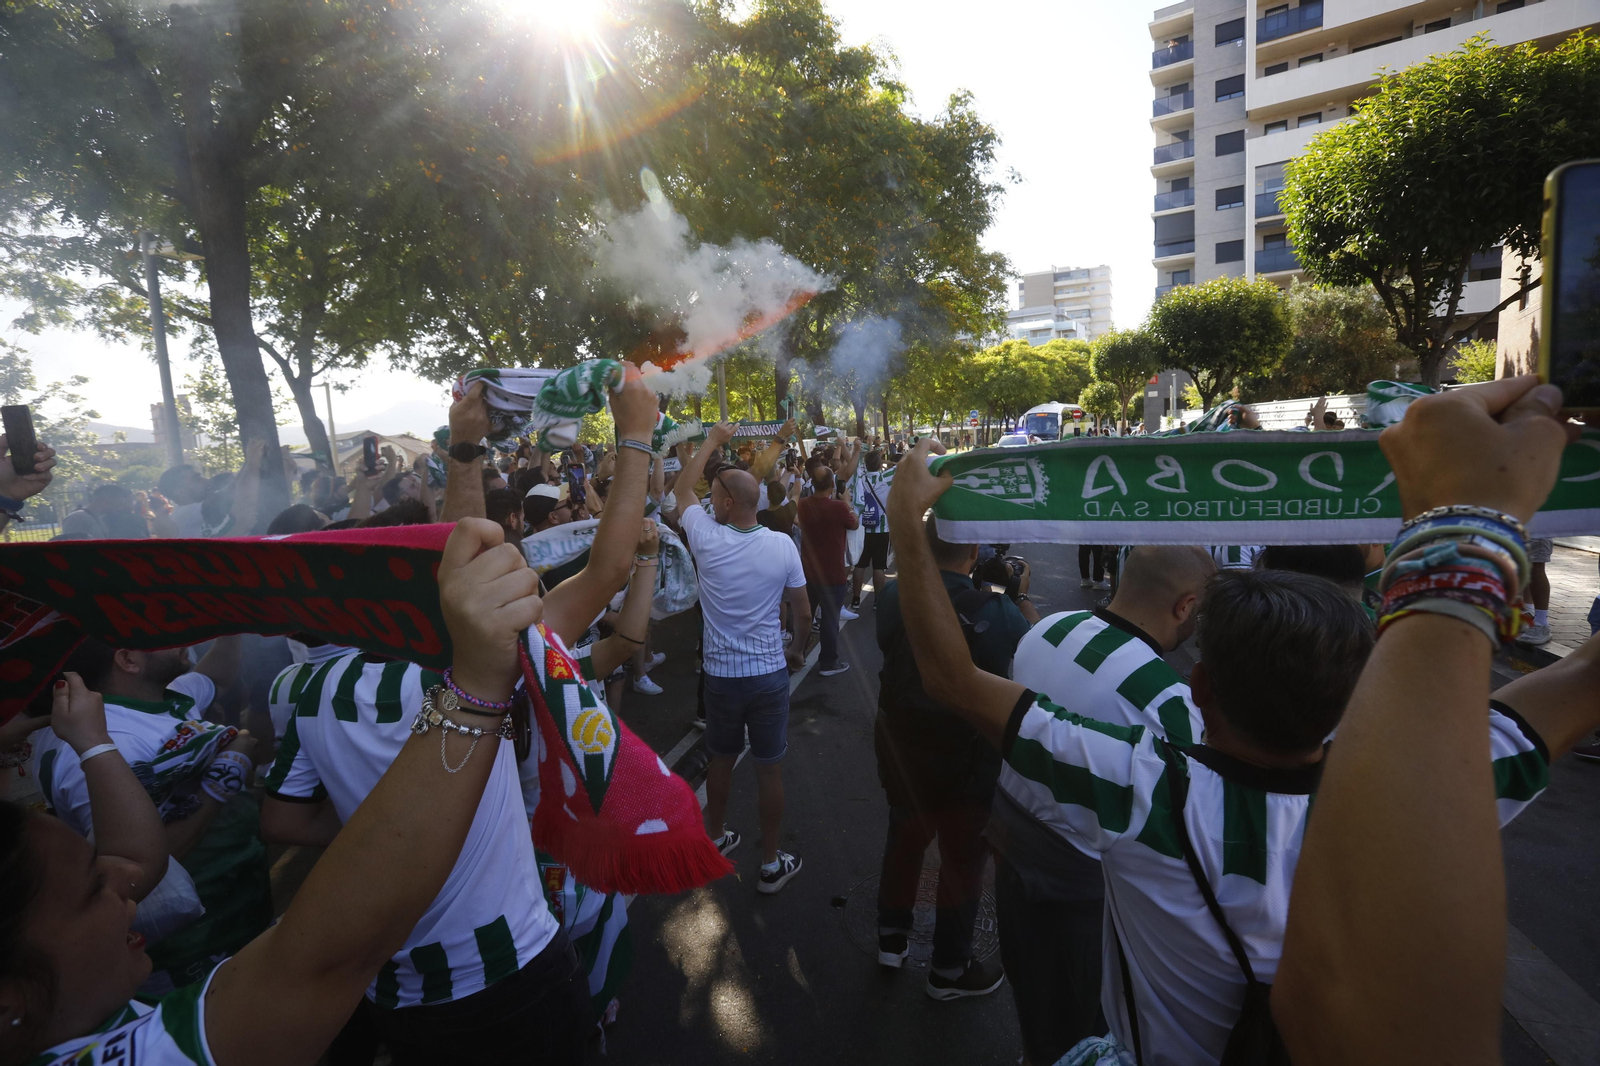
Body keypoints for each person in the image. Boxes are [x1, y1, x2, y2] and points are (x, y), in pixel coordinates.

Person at [885, 437, 1563, 1066]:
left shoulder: (1146, 791)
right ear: (1344, 704)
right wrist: (1471, 530)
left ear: (1202, 688)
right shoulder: (1434, 792)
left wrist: (907, 530)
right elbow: (1573, 688)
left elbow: (951, 680)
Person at [0, 515, 553, 1066]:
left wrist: (235, 605)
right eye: (93, 885)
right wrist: (477, 691)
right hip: (204, 938)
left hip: (245, 910)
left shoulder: (178, 699)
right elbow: (318, 963)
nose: (125, 876)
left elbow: (144, 856)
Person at [259, 366, 659, 1065]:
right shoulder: (485, 662)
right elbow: (608, 567)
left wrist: (380, 820)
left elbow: (282, 820)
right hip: (513, 967)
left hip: (391, 978)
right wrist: (635, 435)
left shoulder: (304, 691)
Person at [1271, 376, 1600, 1064]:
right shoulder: (1458, 771)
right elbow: (1347, 1015)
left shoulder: (1156, 777)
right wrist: (1464, 530)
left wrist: (1462, 525)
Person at [996, 545, 1213, 1065]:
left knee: (1034, 1000)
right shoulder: (1169, 703)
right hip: (1090, 897)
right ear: (1185, 606)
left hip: (1010, 855)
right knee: (1088, 1028)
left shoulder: (1045, 629)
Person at [29, 635, 270, 994]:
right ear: (128, 660)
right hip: (193, 947)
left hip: (240, 906)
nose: (181, 639)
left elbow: (217, 676)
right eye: (157, 637)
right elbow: (139, 868)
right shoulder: (96, 746)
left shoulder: (150, 698)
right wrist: (224, 777)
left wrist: (230, 625)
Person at [873, 517, 1037, 1002]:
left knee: (904, 838)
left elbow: (888, 645)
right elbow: (1036, 653)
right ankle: (948, 969)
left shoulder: (892, 597)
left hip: (904, 752)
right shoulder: (998, 611)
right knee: (962, 862)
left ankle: (890, 937)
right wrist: (1017, 593)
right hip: (969, 762)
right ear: (973, 556)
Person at [674, 421, 810, 894]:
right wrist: (795, 652)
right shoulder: (780, 544)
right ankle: (771, 863)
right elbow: (803, 612)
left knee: (721, 759)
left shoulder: (706, 539)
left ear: (728, 503)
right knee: (769, 769)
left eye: (713, 494)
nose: (708, 499)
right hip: (769, 675)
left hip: (720, 678)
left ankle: (714, 838)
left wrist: (712, 441)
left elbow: (678, 490)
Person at [796, 466, 858, 677]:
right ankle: (828, 662)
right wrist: (847, 503)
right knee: (830, 619)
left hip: (808, 573)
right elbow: (855, 524)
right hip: (832, 574)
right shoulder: (839, 508)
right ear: (832, 485)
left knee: (805, 616)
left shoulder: (803, 504)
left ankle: (798, 655)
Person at [849, 449, 893, 612]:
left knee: (860, 565)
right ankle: (878, 601)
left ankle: (855, 599)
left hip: (862, 529)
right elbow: (902, 465)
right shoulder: (887, 478)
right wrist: (888, 463)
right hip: (882, 529)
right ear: (880, 464)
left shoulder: (859, 477)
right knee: (879, 567)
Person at [61, 483, 136, 539]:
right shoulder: (77, 518)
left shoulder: (99, 518)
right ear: (106, 498)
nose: (120, 509)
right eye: (118, 504)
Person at [1517, 537, 1555, 646]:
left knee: (1536, 566)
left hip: (1539, 527)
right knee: (1524, 564)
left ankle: (1542, 623)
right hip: (1525, 526)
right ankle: (1528, 612)